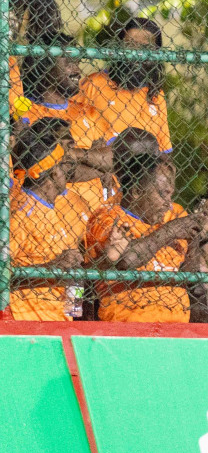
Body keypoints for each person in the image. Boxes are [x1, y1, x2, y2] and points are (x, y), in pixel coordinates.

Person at [86, 129, 205, 324]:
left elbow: (189, 277)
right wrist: (171, 231)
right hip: (128, 327)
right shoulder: (108, 217)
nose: (168, 203)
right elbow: (126, 260)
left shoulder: (174, 213)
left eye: (170, 194)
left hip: (177, 327)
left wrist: (194, 238)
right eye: (162, 194)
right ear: (136, 192)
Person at [3, 118, 91, 321]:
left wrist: (74, 312)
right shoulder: (20, 212)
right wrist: (51, 268)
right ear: (52, 173)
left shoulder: (51, 210)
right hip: (24, 322)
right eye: (63, 166)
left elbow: (68, 275)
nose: (67, 172)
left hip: (58, 321)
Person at [22, 36, 112, 191]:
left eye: (76, 61)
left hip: (96, 210)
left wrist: (72, 154)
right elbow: (52, 169)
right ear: (44, 65)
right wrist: (95, 160)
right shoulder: (27, 115)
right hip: (51, 210)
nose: (76, 69)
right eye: (68, 61)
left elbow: (113, 159)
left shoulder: (88, 112)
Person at [79, 16, 171, 153]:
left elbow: (165, 150)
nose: (136, 54)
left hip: (143, 172)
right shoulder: (95, 83)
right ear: (119, 46)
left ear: (156, 54)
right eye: (130, 44)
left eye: (145, 47)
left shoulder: (156, 94)